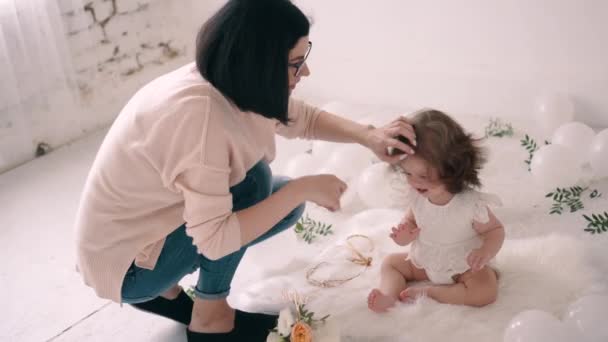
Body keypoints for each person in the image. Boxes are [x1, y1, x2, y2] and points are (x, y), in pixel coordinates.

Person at [74, 0, 416, 340]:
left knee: (275, 198)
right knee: (254, 186)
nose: (305, 73)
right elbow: (216, 238)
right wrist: (304, 187)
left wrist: (368, 135)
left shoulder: (226, 79)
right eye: (296, 64)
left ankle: (167, 290)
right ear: (260, 65)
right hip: (127, 268)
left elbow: (299, 117)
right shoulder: (199, 118)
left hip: (138, 240)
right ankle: (211, 319)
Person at [367, 109, 504, 313]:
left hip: (464, 266)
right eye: (408, 173)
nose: (414, 182)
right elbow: (411, 223)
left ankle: (431, 293)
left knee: (485, 291)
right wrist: (404, 236)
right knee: (390, 263)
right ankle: (389, 296)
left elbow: (494, 230)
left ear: (451, 169)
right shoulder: (417, 198)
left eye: (423, 175)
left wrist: (485, 252)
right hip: (426, 260)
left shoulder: (468, 204)